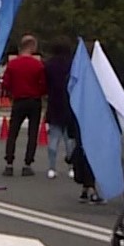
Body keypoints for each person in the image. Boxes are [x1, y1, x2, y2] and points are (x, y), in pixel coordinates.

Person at [0, 35, 47, 176]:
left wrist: (11, 93)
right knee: (32, 133)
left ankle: (9, 163)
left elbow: (6, 83)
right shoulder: (38, 65)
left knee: (13, 132)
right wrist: (40, 93)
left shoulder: (13, 64)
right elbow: (43, 85)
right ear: (32, 46)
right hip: (34, 101)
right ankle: (27, 164)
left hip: (19, 100)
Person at [41, 38, 74, 180]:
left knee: (54, 139)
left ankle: (52, 168)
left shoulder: (48, 65)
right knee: (70, 140)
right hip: (69, 104)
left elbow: (45, 84)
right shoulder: (73, 64)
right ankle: (72, 168)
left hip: (54, 104)